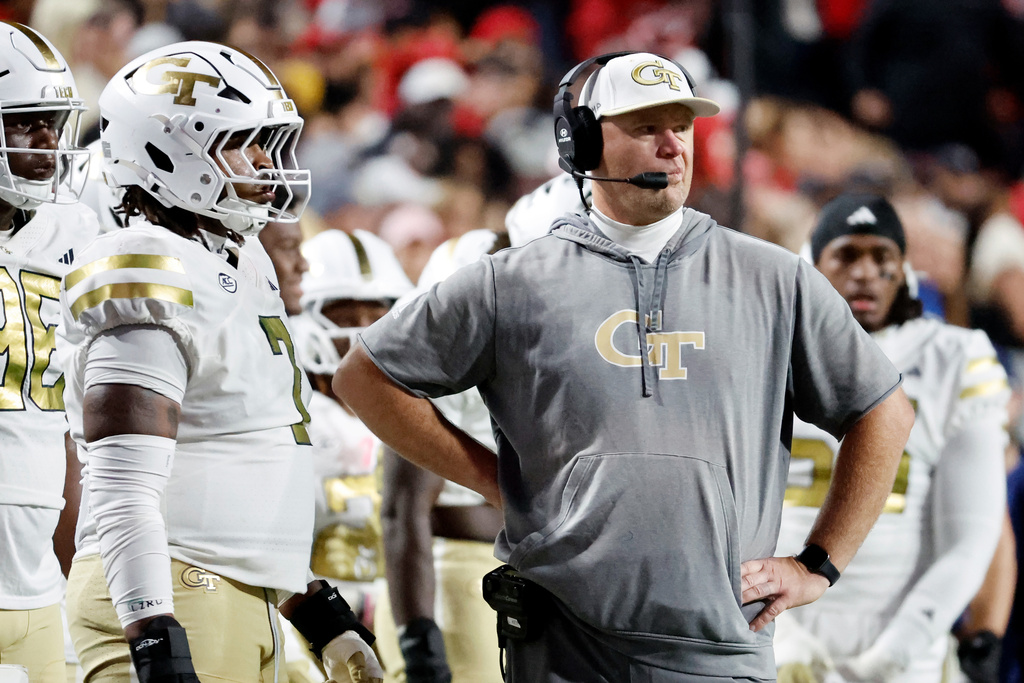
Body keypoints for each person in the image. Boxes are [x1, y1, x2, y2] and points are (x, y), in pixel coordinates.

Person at [333, 51, 915, 681]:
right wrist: (490, 479)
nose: (673, 146)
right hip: (561, 648)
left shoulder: (774, 279)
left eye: (682, 127)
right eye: (646, 127)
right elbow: (364, 376)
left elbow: (884, 411)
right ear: (582, 143)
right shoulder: (513, 281)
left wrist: (818, 564)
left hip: (723, 649)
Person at [55, 41, 381, 682]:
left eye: (270, 142)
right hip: (171, 591)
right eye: (242, 142)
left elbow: (244, 452)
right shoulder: (149, 265)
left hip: (228, 590)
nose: (267, 162)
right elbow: (123, 486)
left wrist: (312, 606)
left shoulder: (243, 261)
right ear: (165, 151)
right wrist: (151, 628)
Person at [772, 194, 1010, 683]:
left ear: (904, 269)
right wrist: (782, 639)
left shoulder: (952, 357)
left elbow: (976, 534)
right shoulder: (769, 350)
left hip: (906, 653)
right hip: (779, 634)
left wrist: (896, 653)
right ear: (810, 263)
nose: (865, 273)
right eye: (846, 255)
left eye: (881, 256)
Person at [0, 21, 99, 683]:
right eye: (25, 122)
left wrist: (76, 574)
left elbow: (65, 424)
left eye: (54, 123)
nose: (48, 142)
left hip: (37, 580)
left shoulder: (74, 229)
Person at [373, 229, 510, 683]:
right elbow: (403, 510)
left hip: (498, 577)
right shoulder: (440, 361)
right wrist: (420, 643)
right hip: (454, 583)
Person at [287, 227, 412, 683]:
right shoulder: (297, 411)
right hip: (311, 605)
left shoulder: (415, 407)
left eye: (375, 313)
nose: (361, 329)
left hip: (396, 599)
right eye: (344, 314)